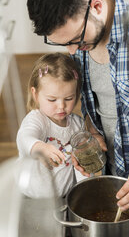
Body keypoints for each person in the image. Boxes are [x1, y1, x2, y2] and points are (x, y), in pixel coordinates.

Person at [26, 0, 129, 210]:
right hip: (119, 181)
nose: (71, 51)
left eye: (76, 41)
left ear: (97, 7)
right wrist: (92, 130)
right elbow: (103, 101)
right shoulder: (84, 40)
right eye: (62, 43)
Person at [16, 52, 86, 198]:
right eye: (52, 100)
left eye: (68, 98)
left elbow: (81, 165)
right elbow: (25, 137)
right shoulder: (37, 119)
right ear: (35, 95)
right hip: (31, 197)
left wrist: (84, 188)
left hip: (64, 196)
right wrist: (39, 147)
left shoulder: (78, 125)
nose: (61, 106)